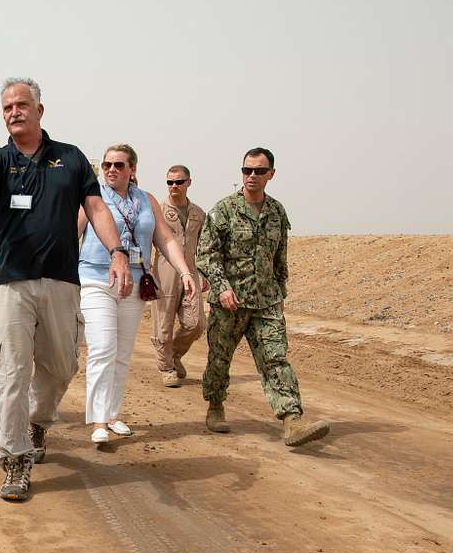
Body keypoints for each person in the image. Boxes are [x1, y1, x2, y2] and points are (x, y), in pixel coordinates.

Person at [0, 77, 132, 502]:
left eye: (22, 105)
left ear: (39, 110)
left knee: (62, 366)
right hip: (10, 283)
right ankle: (15, 459)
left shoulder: (70, 159)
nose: (15, 112)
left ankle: (38, 421)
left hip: (61, 281)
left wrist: (117, 251)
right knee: (11, 372)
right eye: (8, 107)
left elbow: (96, 207)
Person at [196, 147, 329, 446]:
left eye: (258, 171)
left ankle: (291, 420)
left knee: (275, 358)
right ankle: (215, 406)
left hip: (266, 302)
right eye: (246, 171)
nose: (252, 176)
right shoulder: (224, 210)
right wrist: (222, 287)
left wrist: (280, 292)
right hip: (229, 303)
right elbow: (206, 255)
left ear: (271, 174)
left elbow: (280, 257)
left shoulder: (276, 212)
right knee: (219, 359)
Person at [78, 145, 196, 443]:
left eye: (119, 165)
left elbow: (165, 238)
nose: (111, 170)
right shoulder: (93, 197)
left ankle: (113, 415)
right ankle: (98, 422)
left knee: (121, 353)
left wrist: (184, 271)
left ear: (132, 170)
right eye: (107, 164)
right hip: (96, 280)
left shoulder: (147, 200)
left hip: (134, 283)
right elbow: (71, 233)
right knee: (103, 348)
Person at [150, 165, 208, 387]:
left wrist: (203, 273)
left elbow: (204, 247)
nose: (174, 186)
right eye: (170, 182)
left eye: (179, 182)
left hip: (191, 273)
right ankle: (166, 368)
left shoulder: (198, 214)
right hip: (164, 272)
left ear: (188, 183)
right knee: (163, 324)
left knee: (196, 323)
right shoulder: (159, 212)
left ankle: (173, 355)